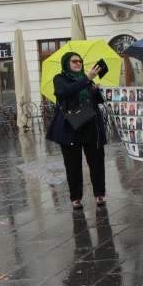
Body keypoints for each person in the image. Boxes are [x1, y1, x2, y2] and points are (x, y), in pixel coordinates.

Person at [48, 52, 108, 209]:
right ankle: (76, 198)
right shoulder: (60, 79)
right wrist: (87, 79)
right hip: (70, 128)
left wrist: (95, 90)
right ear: (66, 63)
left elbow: (98, 101)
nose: (78, 63)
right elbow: (65, 93)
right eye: (74, 61)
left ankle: (99, 194)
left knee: (97, 162)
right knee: (72, 165)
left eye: (80, 61)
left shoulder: (86, 79)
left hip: (91, 126)